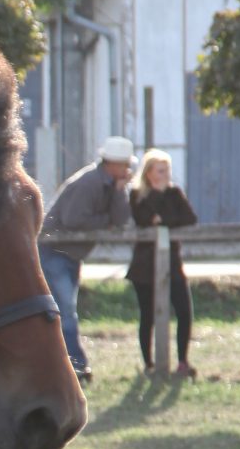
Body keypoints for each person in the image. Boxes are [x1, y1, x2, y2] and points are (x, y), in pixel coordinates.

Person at [38, 136, 135, 385]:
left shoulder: (110, 185)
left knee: (64, 311)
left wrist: (119, 192)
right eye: (124, 165)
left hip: (68, 254)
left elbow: (121, 219)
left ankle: (67, 366)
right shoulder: (89, 183)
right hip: (55, 252)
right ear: (112, 164)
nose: (127, 170)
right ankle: (76, 366)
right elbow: (73, 220)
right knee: (66, 313)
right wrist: (106, 223)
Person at [127, 149, 198, 377]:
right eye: (160, 170)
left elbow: (189, 218)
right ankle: (149, 364)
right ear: (149, 173)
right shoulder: (138, 195)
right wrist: (160, 214)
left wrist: (163, 220)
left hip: (173, 261)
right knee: (148, 315)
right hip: (144, 265)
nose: (166, 173)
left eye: (167, 169)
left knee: (184, 311)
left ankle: (182, 361)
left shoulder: (175, 193)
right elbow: (143, 220)